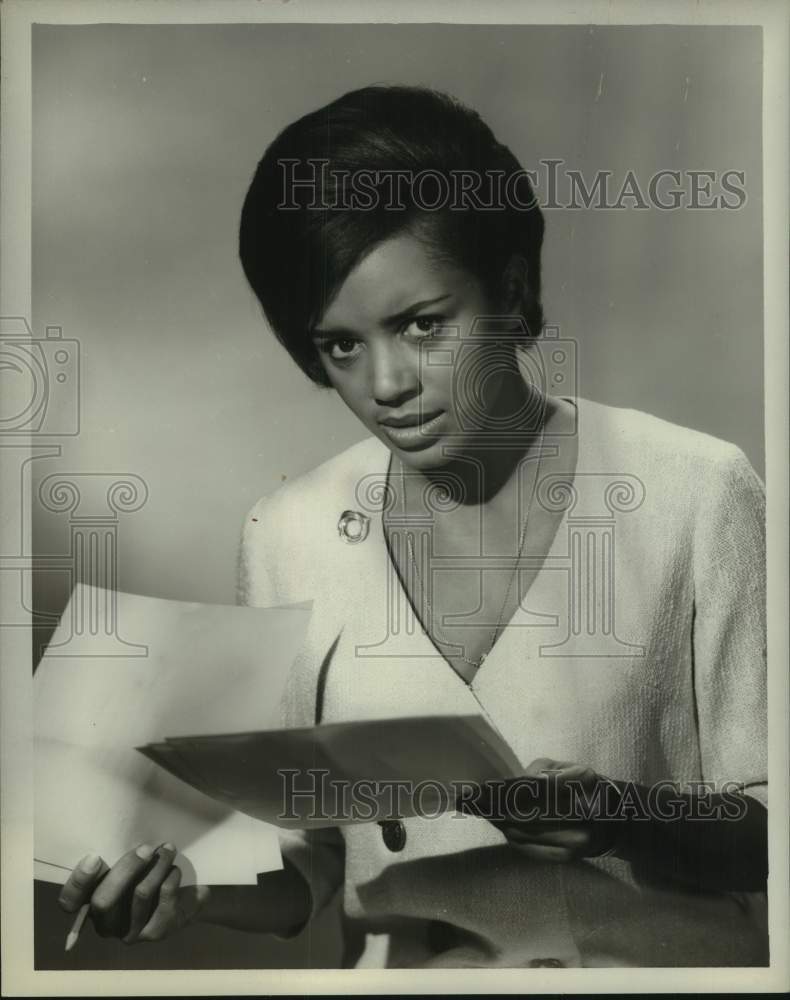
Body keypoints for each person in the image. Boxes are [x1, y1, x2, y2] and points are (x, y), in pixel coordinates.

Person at [58, 85, 768, 968]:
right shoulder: (289, 533)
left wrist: (622, 817)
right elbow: (306, 855)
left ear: (511, 289)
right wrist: (185, 889)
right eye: (341, 345)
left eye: (421, 324)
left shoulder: (696, 491)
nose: (386, 384)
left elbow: (770, 826)